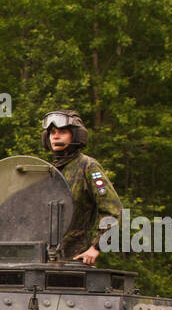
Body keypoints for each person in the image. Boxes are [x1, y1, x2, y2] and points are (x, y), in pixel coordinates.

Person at [41, 110, 122, 265]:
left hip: (76, 259)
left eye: (62, 132)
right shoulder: (47, 171)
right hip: (42, 258)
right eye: (52, 132)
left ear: (76, 136)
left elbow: (113, 210)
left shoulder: (87, 167)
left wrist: (97, 247)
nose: (55, 136)